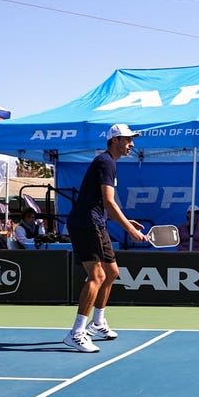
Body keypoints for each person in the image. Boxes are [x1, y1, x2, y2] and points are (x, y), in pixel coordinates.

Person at [63, 125, 148, 353]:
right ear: (116, 140)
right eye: (129, 140)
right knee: (98, 275)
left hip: (96, 222)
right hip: (86, 223)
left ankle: (98, 322)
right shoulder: (105, 162)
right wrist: (129, 229)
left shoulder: (110, 163)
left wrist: (128, 220)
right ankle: (77, 333)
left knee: (112, 273)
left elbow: (106, 202)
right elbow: (109, 203)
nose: (132, 144)